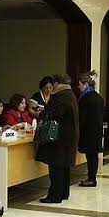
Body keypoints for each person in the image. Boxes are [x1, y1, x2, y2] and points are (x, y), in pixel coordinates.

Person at [35, 74, 79, 203]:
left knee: (56, 169)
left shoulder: (59, 96)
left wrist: (39, 113)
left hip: (58, 139)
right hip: (68, 137)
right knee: (64, 168)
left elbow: (51, 113)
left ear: (57, 84)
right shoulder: (71, 95)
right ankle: (64, 193)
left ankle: (55, 196)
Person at [77, 70, 105, 188]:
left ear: (86, 84)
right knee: (93, 155)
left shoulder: (86, 98)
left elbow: (83, 117)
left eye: (80, 84)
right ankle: (92, 177)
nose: (78, 87)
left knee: (91, 156)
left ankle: (91, 179)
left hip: (89, 131)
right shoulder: (98, 96)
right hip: (97, 130)